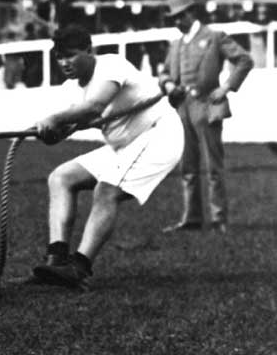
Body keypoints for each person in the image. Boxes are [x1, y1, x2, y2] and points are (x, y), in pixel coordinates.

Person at [29, 23, 183, 289]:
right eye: (59, 57)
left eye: (71, 55)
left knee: (106, 190)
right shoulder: (70, 88)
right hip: (124, 146)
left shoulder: (111, 65)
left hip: (159, 135)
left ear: (90, 50)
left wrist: (54, 118)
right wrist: (47, 132)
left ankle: (79, 268)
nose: (65, 62)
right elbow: (63, 131)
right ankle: (56, 261)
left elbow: (94, 107)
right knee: (61, 177)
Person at [157, 0, 251, 233]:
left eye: (180, 16)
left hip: (207, 104)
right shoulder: (176, 44)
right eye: (173, 18)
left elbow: (244, 60)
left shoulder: (214, 36)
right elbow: (164, 72)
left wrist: (226, 87)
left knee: (213, 165)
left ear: (191, 12)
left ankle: (219, 218)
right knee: (187, 166)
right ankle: (192, 218)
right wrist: (167, 84)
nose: (176, 21)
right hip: (182, 108)